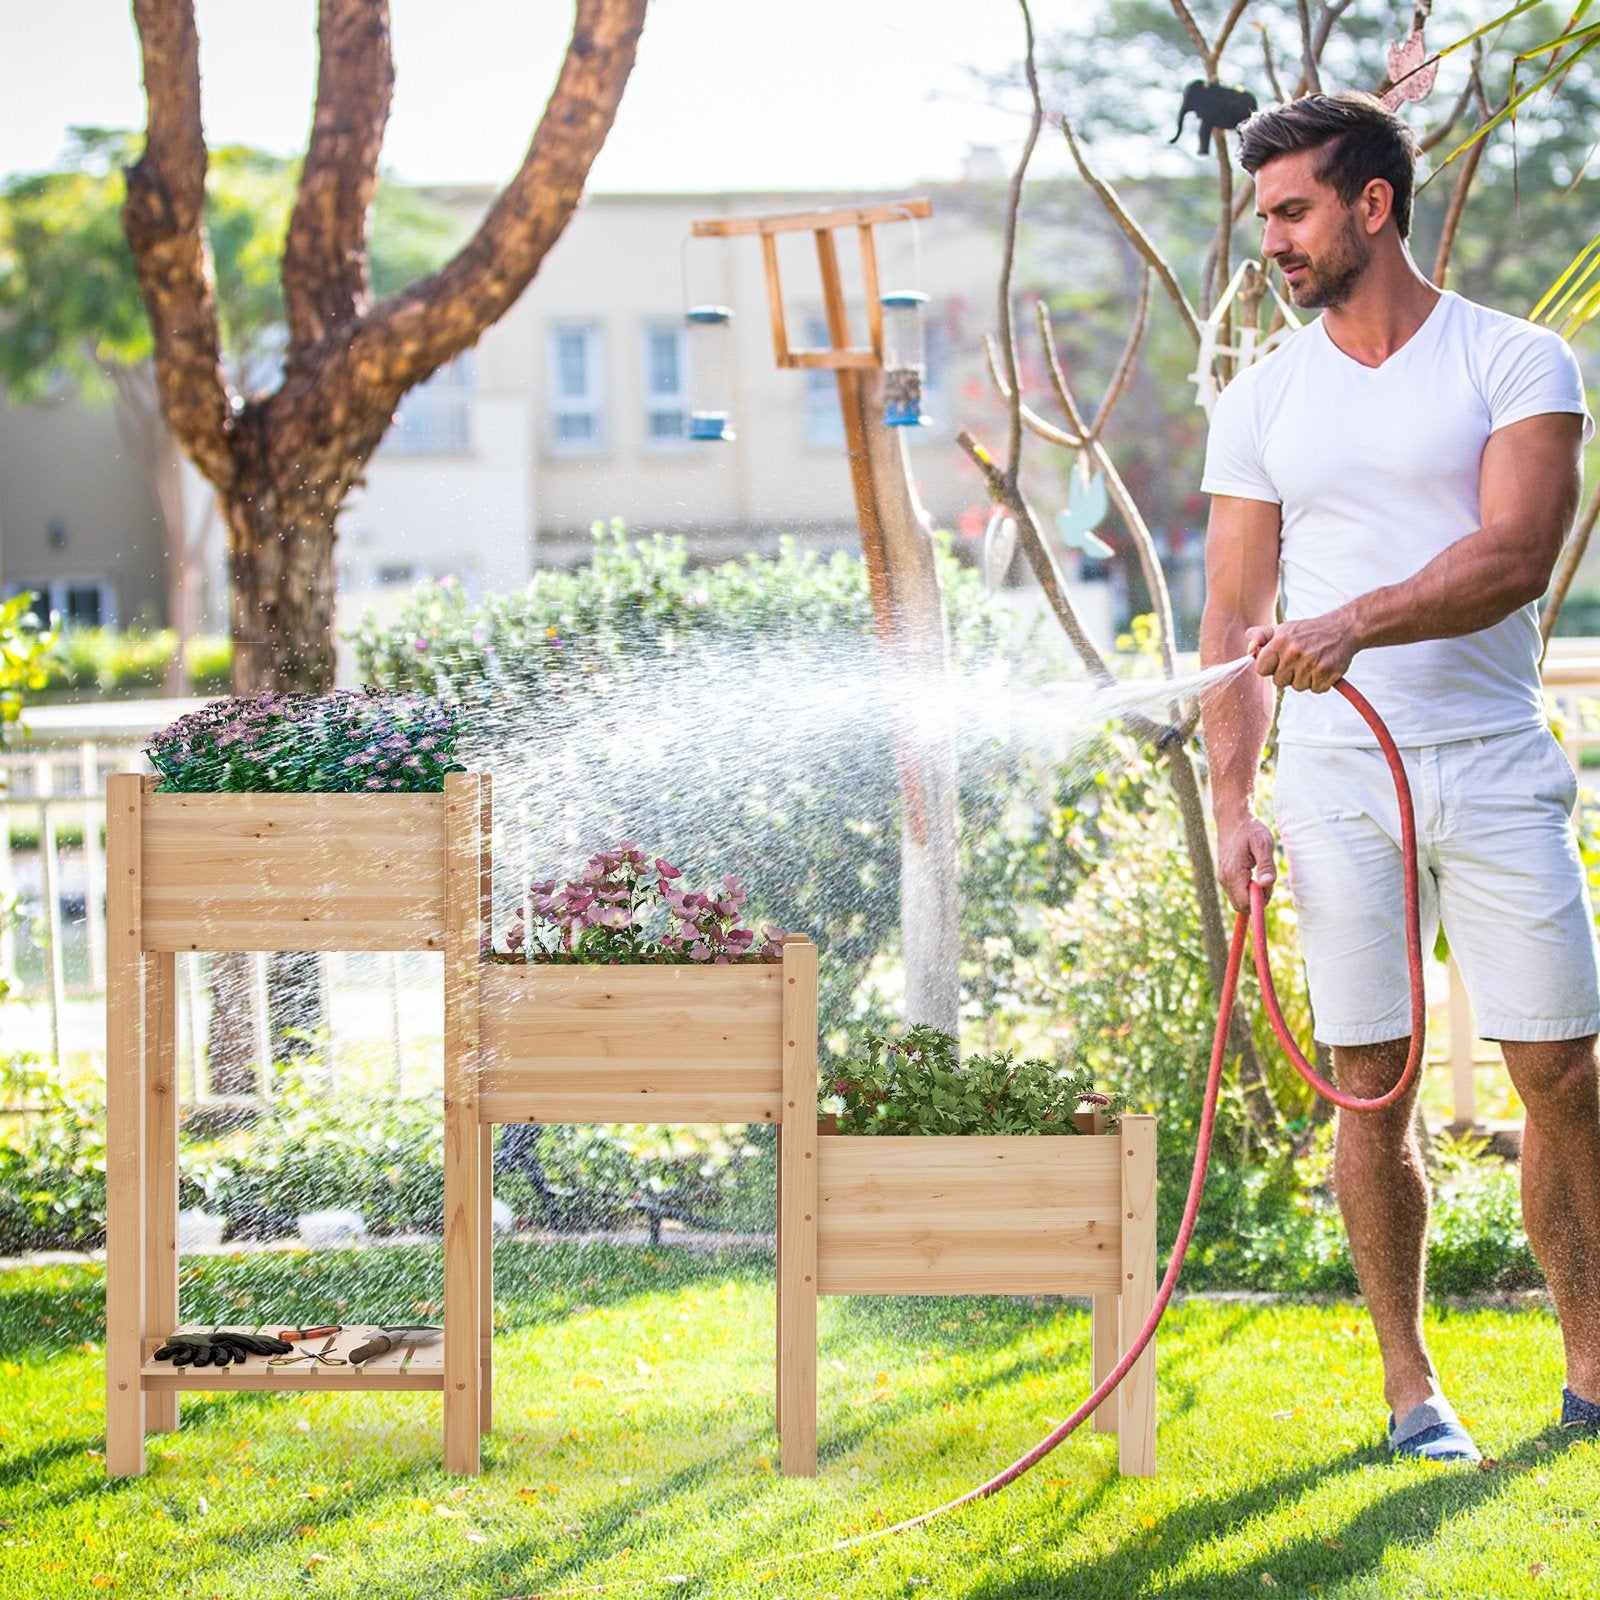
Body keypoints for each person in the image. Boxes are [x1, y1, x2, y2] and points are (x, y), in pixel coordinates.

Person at [1199, 90, 1600, 1462]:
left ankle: (1593, 1370)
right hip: (1332, 775)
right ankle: (1408, 1390)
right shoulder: (1263, 398)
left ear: (1375, 203)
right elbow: (1230, 619)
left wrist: (1351, 622)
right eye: (1266, 218)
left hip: (1489, 760)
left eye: (1295, 209)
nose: (1277, 241)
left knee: (1557, 1065)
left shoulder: (1516, 359)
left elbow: (1516, 555)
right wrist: (1234, 803)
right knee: (1369, 1076)